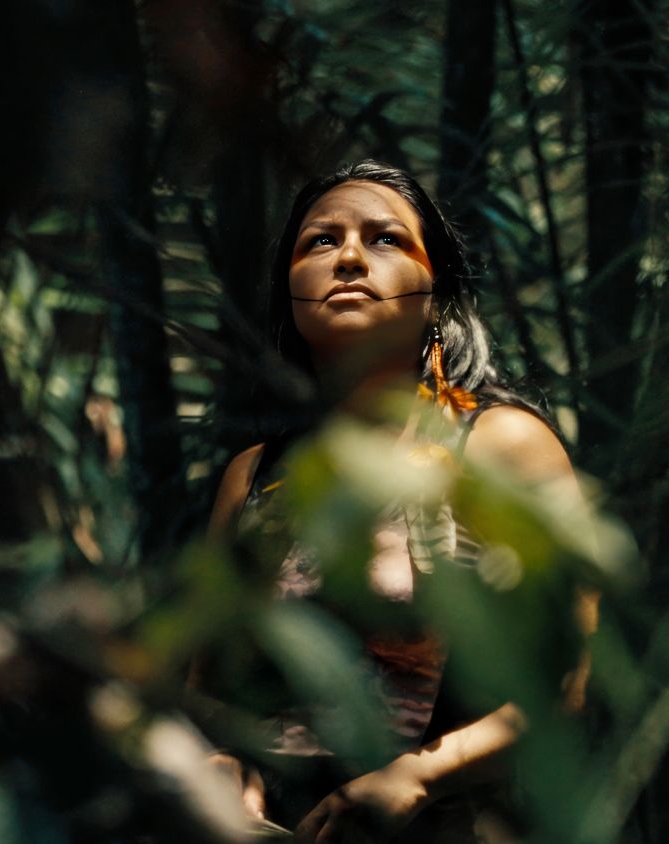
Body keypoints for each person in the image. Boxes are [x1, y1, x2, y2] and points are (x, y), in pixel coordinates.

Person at [199, 160, 595, 843]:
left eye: (385, 239)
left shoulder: (501, 446)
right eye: (319, 242)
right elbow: (202, 680)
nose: (349, 257)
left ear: (436, 294)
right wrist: (224, 759)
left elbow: (565, 689)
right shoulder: (255, 475)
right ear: (289, 295)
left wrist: (416, 777)